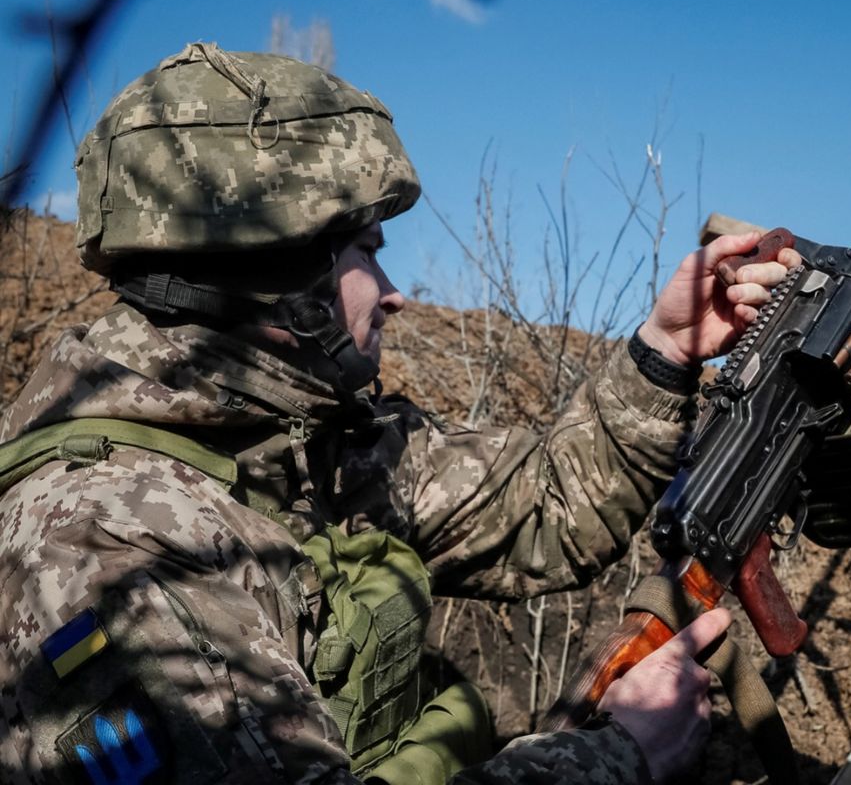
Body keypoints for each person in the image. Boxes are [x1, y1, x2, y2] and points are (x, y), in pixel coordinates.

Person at [0, 44, 799, 785]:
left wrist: (666, 347)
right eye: (369, 253)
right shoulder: (101, 544)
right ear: (279, 272)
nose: (395, 294)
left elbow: (548, 507)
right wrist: (617, 756)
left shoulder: (303, 441)